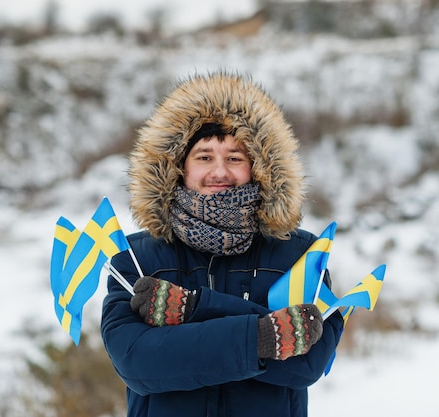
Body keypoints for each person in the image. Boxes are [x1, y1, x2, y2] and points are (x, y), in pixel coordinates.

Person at [101, 72, 344, 417]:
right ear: (178, 168)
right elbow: (138, 363)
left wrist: (192, 310)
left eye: (234, 158)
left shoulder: (301, 254)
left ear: (259, 168)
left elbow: (307, 363)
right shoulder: (137, 257)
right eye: (203, 157)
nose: (219, 172)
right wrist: (263, 336)